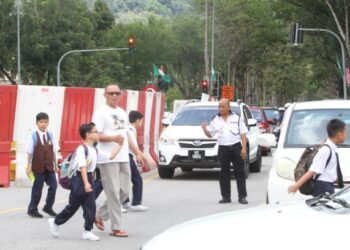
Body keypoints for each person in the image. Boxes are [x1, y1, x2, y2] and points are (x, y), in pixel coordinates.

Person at [48, 122, 122, 241]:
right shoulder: (82, 149)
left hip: (89, 179)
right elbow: (82, 167)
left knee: (90, 206)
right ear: (88, 134)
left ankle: (87, 231)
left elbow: (110, 156)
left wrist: (119, 145)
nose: (98, 133)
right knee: (72, 207)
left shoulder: (95, 150)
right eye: (95, 131)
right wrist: (86, 183)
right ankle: (55, 222)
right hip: (80, 180)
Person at [92, 84, 143, 237]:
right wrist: (111, 138)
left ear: (121, 95)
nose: (114, 96)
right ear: (105, 95)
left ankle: (99, 215)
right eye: (111, 93)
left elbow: (126, 134)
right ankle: (116, 227)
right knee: (113, 192)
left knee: (125, 191)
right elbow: (95, 135)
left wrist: (137, 152)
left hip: (124, 157)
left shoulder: (122, 112)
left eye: (117, 93)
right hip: (108, 158)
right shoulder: (100, 113)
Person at [201, 98, 249, 205]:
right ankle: (226, 197)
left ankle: (242, 197)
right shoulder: (215, 120)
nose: (220, 108)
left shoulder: (237, 118)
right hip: (223, 148)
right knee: (224, 173)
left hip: (236, 147)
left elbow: (243, 134)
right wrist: (205, 130)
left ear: (228, 107)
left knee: (240, 173)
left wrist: (244, 148)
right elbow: (211, 135)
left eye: (223, 106)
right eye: (219, 106)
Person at [288, 119, 346, 197]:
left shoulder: (331, 149)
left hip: (327, 186)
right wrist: (296, 186)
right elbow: (313, 171)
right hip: (323, 188)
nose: (346, 135)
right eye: (346, 133)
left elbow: (329, 171)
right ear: (339, 134)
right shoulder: (325, 150)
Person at [26, 112, 59, 218]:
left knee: (53, 186)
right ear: (37, 123)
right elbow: (29, 152)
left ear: (48, 123)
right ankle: (32, 209)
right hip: (37, 167)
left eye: (45, 122)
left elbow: (54, 151)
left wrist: (56, 164)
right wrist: (28, 167)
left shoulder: (51, 135)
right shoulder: (33, 136)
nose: (43, 124)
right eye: (41, 122)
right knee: (37, 189)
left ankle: (48, 207)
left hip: (49, 167)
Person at [123, 111, 156, 212]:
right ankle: (134, 203)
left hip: (126, 157)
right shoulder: (130, 131)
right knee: (135, 179)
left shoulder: (129, 129)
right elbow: (133, 147)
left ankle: (125, 202)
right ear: (137, 120)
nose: (142, 123)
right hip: (126, 157)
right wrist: (147, 159)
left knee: (129, 180)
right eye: (141, 120)